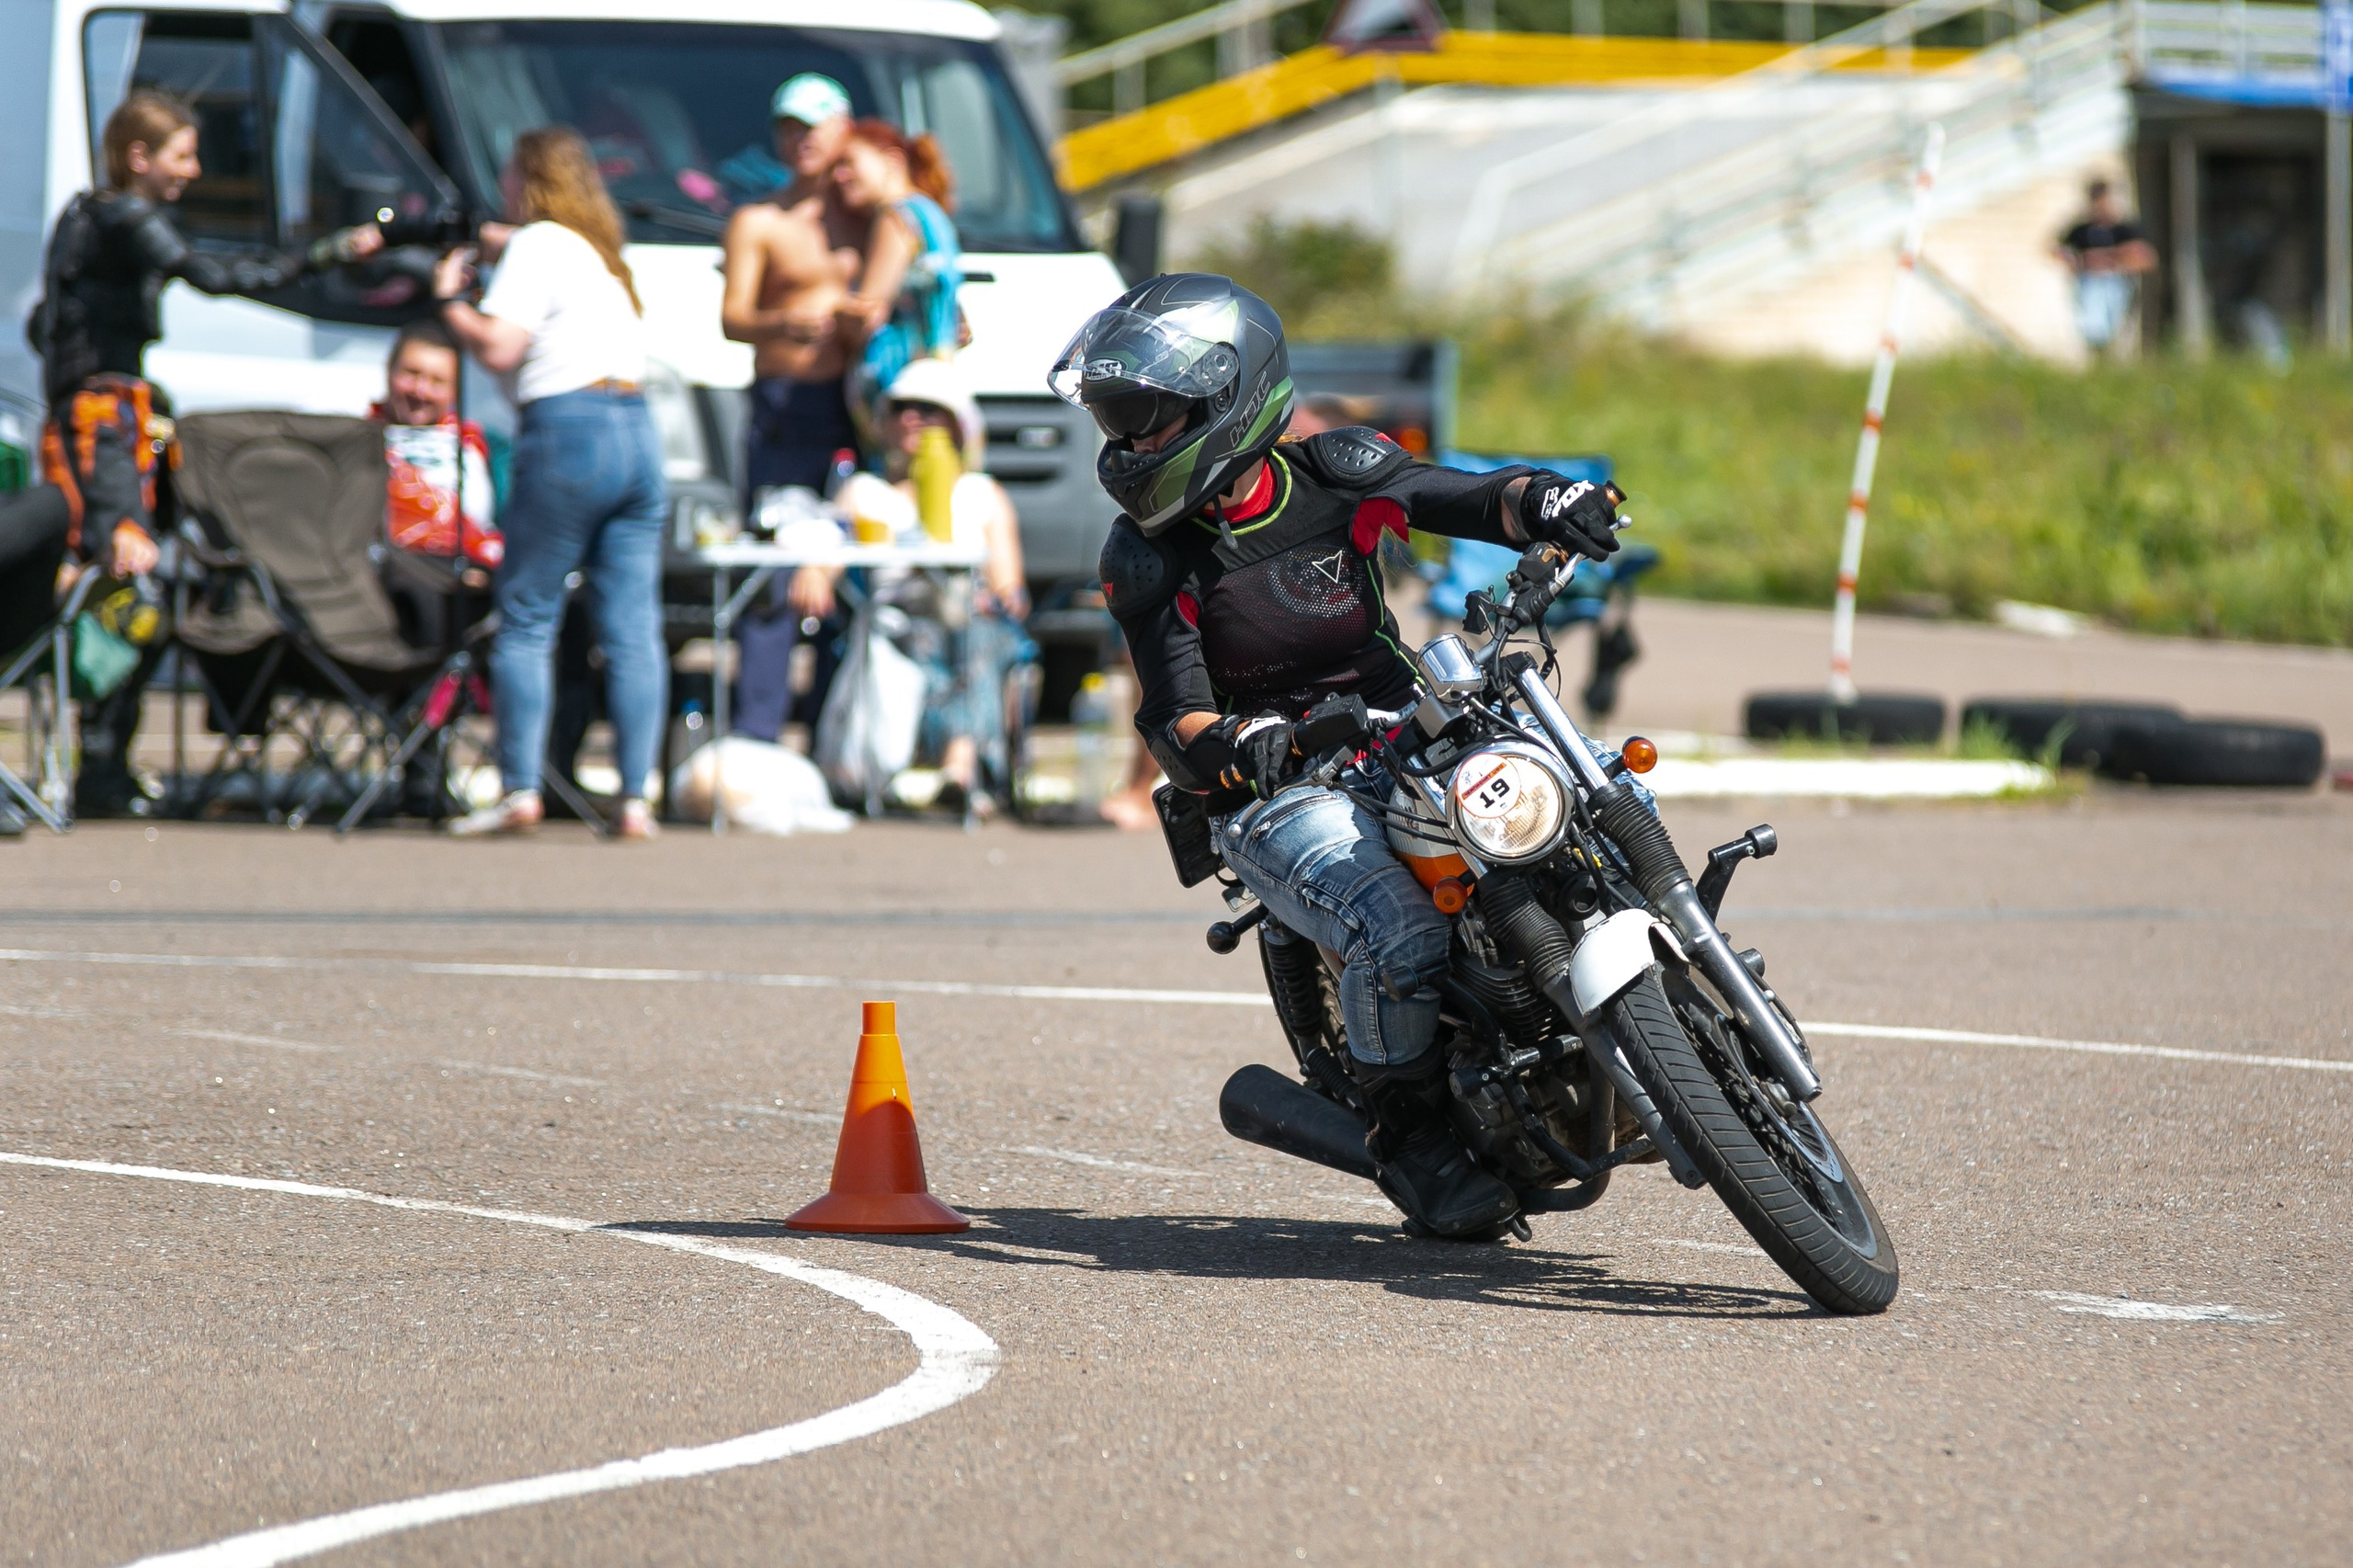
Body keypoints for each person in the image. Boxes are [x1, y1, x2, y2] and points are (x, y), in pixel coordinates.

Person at [1056, 274, 1623, 1239]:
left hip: (1409, 720)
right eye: (1120, 421)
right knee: (1399, 929)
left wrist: (1552, 499)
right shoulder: (1148, 556)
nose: (1131, 444)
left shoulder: (1335, 469)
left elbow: (1471, 499)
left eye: (1150, 417)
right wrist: (1249, 739)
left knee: (1595, 789)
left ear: (1226, 401)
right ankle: (1412, 1135)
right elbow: (1174, 718)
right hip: (1275, 783)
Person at [28, 90, 381, 814]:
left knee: (132, 585)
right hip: (107, 426)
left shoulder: (80, 220)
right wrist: (330, 252)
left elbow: (43, 326)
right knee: (130, 583)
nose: (193, 171)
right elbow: (216, 277)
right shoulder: (125, 216)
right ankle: (96, 764)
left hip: (100, 416)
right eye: (182, 155)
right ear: (139, 158)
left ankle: (103, 758)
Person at [433, 127, 667, 840]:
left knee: (528, 615)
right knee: (632, 629)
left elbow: (503, 345)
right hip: (637, 430)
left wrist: (451, 303)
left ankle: (520, 790)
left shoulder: (539, 244)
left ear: (527, 179)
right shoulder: (601, 256)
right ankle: (633, 797)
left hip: (569, 431)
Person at [718, 73, 861, 746]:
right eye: (787, 128)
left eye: (812, 127)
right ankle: (756, 736)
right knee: (775, 571)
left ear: (843, 132)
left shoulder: (868, 217)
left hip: (856, 406)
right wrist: (785, 324)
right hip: (786, 404)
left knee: (854, 571)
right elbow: (734, 318)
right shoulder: (760, 220)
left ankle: (835, 743)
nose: (799, 141)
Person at [832, 358, 1029, 816]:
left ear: (958, 425)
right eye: (901, 407)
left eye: (929, 409)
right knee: (927, 637)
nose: (912, 418)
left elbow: (1011, 588)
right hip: (896, 621)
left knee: (977, 634)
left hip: (969, 621)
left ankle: (958, 767)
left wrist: (999, 597)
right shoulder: (864, 491)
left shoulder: (981, 493)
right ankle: (955, 769)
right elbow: (826, 550)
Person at [831, 119, 964, 437]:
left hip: (901, 400)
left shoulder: (895, 216)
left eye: (848, 163)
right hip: (937, 390)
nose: (839, 177)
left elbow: (868, 313)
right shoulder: (931, 215)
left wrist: (829, 314)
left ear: (892, 160)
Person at [372, 318, 500, 584]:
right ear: (389, 371)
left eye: (437, 381)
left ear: (454, 390)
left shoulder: (473, 443)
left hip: (456, 580)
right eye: (412, 374)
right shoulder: (357, 437)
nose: (421, 391)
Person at [2056, 179, 2157, 358]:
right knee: (2092, 331)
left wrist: (2114, 259)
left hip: (2116, 285)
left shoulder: (2124, 229)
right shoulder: (2081, 230)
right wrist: (2079, 262)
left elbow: (2147, 259)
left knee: (2115, 332)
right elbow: (2055, 249)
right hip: (2089, 285)